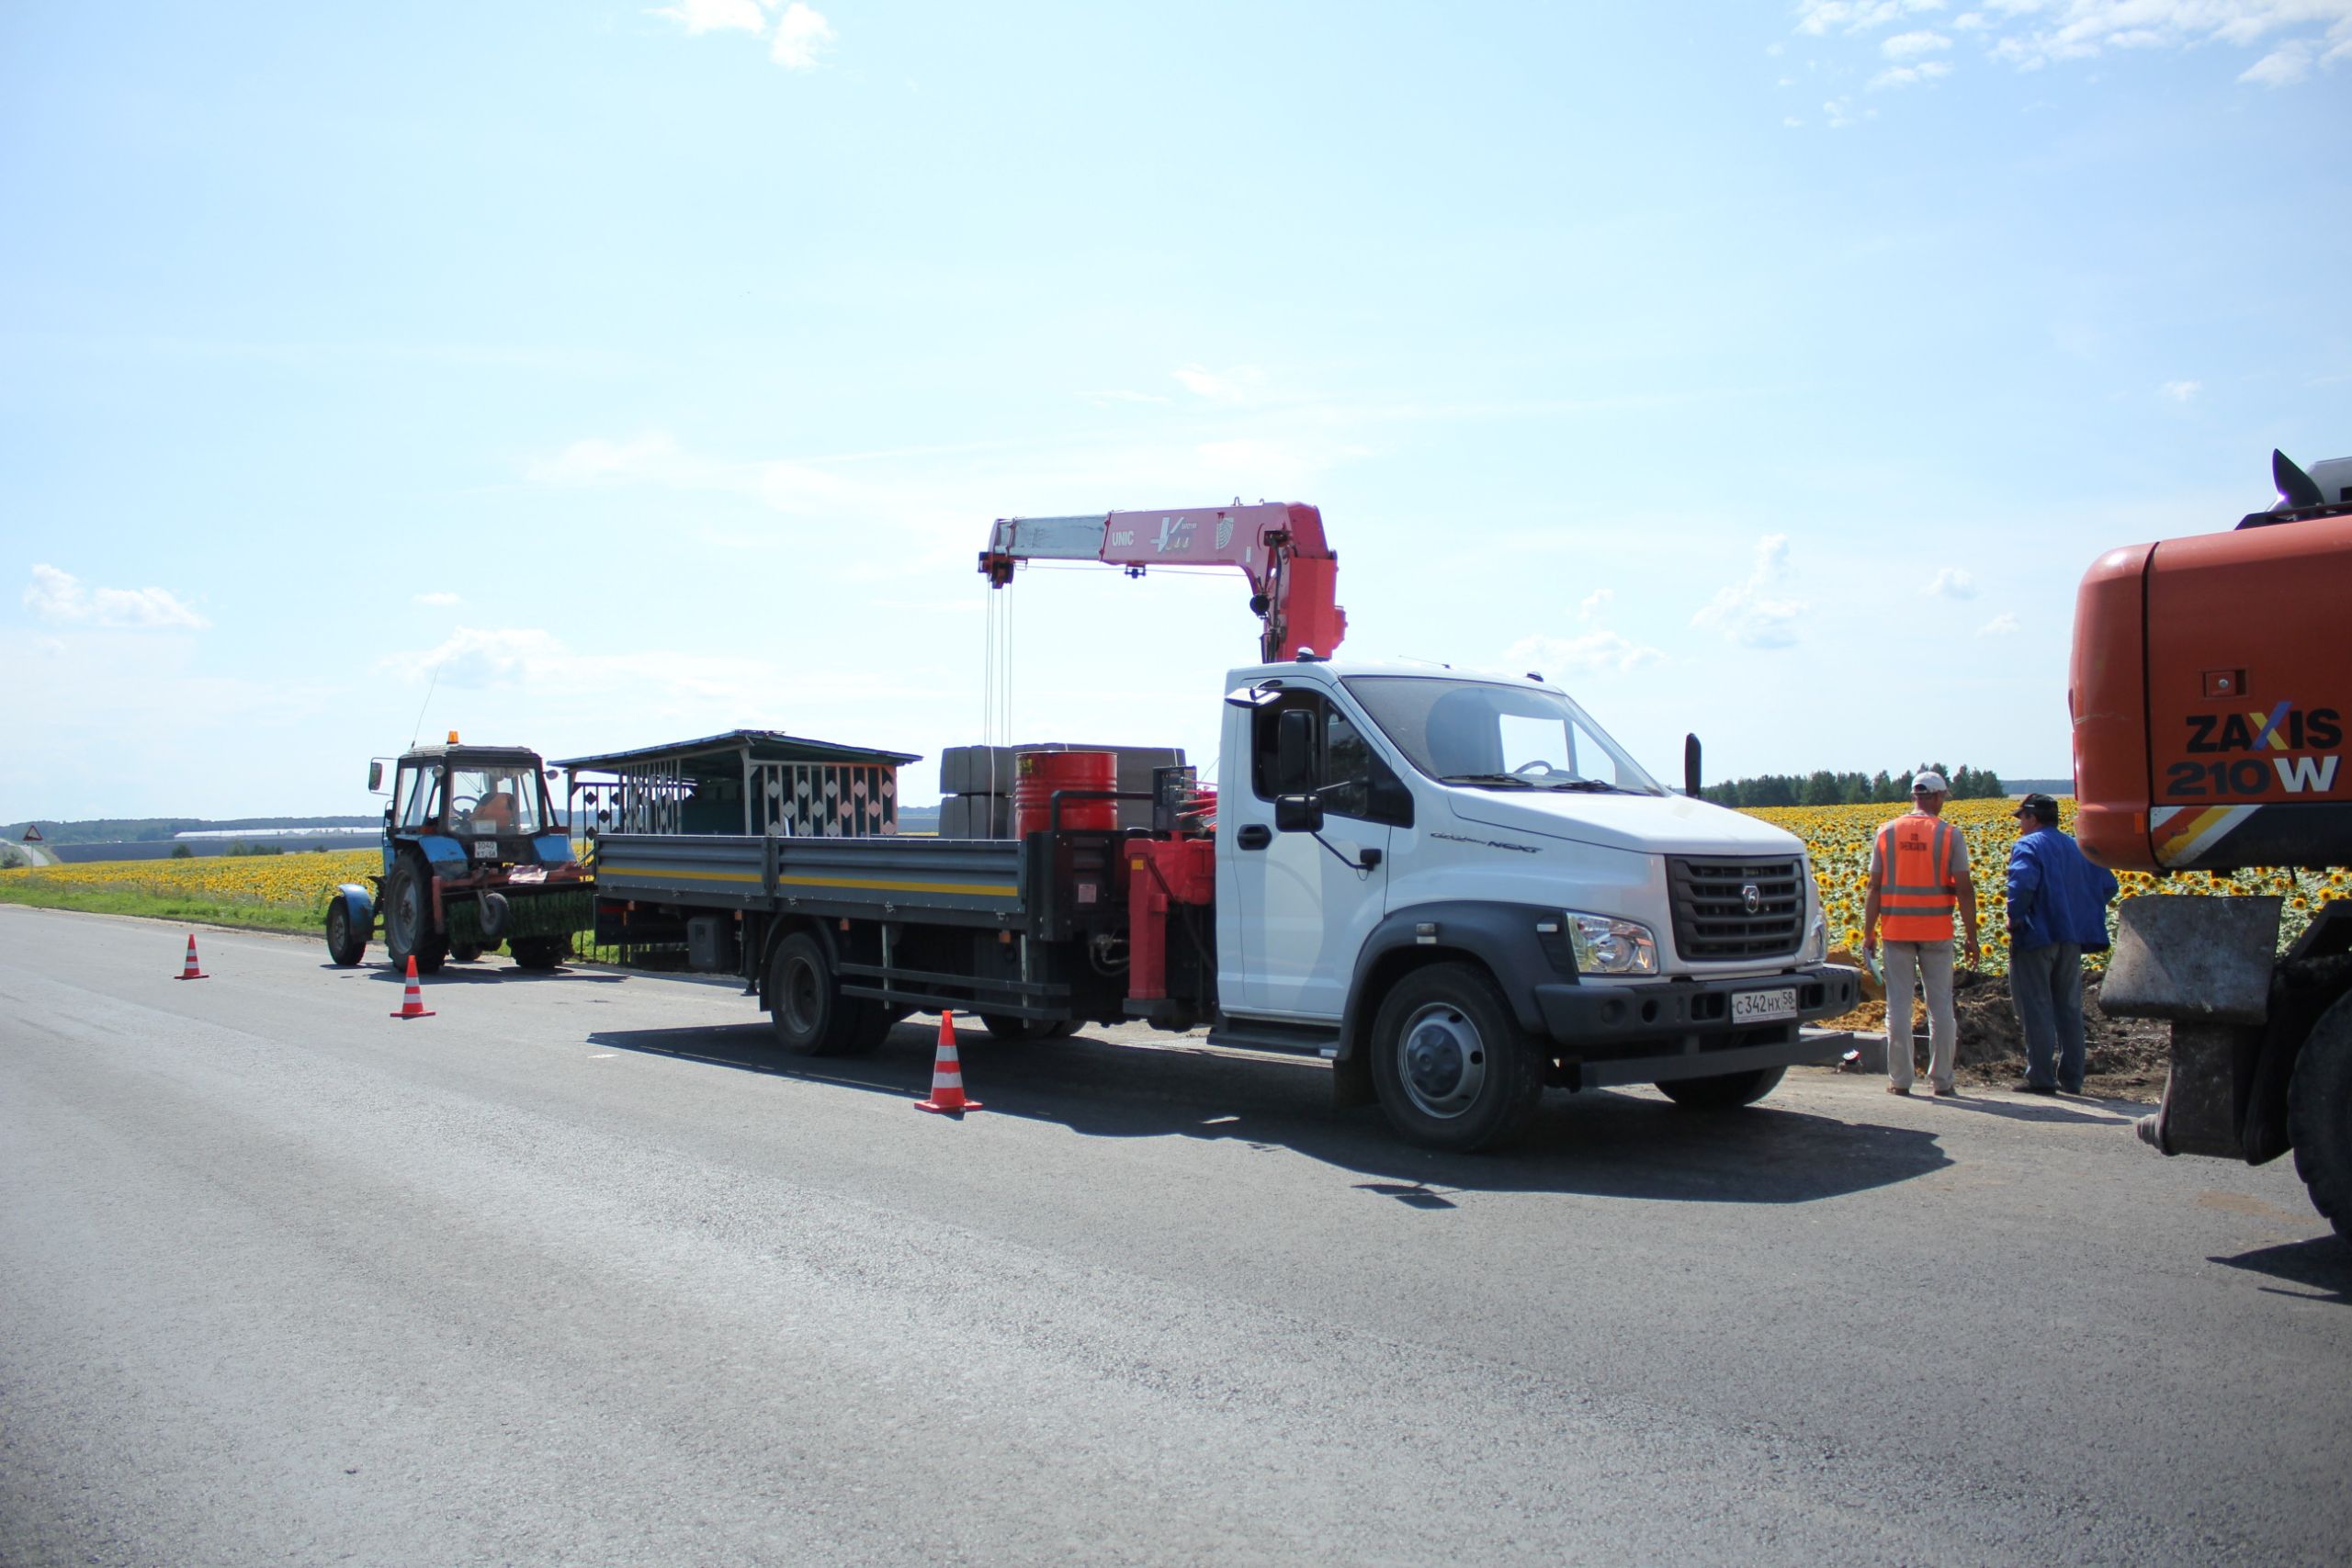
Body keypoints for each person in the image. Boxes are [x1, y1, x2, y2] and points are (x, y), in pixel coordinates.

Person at [1861, 770, 1981, 1098]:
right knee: (1940, 1007)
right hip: (1937, 930)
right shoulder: (1949, 835)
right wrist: (1972, 936)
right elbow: (1965, 889)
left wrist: (1868, 932)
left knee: (1897, 1006)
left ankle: (1900, 1080)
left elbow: (1874, 886)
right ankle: (1942, 1081)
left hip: (1896, 929)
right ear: (1938, 797)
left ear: (1915, 796)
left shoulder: (1885, 832)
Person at [2004, 792, 2120, 1095]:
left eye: (2022, 819)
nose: (2020, 826)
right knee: (2068, 1007)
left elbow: (2021, 884)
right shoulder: (2077, 847)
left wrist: (2015, 917)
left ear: (2033, 818)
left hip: (2037, 936)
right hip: (2071, 938)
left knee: (2036, 1005)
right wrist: (2080, 909)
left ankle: (2041, 1077)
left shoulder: (2028, 845)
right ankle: (2072, 1078)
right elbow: (2109, 885)